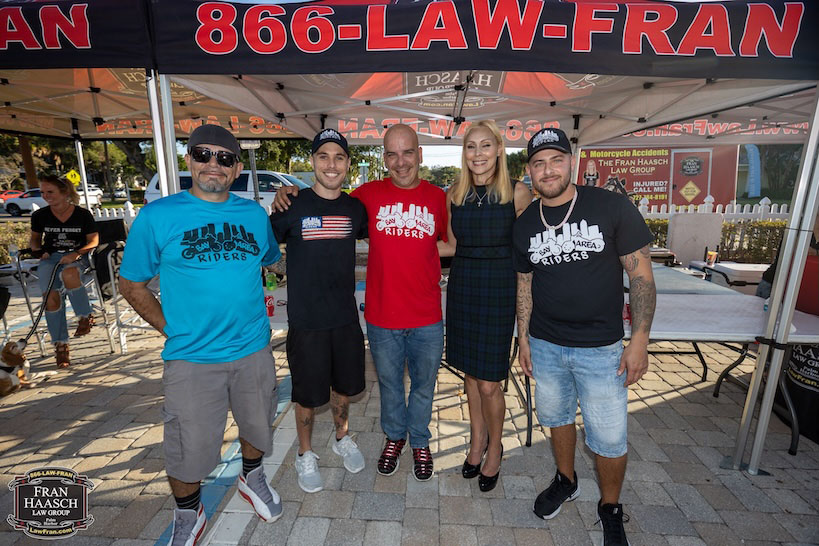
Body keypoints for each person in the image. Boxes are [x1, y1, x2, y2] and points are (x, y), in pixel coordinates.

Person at [119, 124, 283, 546]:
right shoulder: (158, 216)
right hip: (191, 358)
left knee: (257, 425)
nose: (214, 164)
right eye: (203, 154)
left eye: (225, 158)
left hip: (252, 350)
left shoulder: (253, 215)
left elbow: (272, 260)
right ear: (188, 159)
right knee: (186, 448)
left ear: (236, 169)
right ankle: (188, 511)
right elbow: (131, 285)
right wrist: (169, 328)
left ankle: (252, 477)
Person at [272, 124, 448, 481]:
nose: (401, 162)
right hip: (374, 316)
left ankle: (418, 441)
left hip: (418, 315)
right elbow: (276, 238)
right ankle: (392, 438)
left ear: (420, 154)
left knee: (421, 387)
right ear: (383, 158)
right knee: (387, 387)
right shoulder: (365, 196)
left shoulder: (434, 199)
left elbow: (450, 243)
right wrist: (285, 192)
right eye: (392, 154)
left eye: (408, 153)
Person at [514, 128, 656, 546]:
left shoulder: (610, 206)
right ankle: (566, 479)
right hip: (545, 344)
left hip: (602, 350)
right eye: (539, 163)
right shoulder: (525, 224)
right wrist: (524, 339)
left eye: (556, 160)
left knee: (609, 438)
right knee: (557, 418)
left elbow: (641, 277)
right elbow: (525, 284)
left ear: (571, 162)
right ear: (529, 171)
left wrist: (639, 340)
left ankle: (609, 507)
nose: (548, 170)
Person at [268, 129, 368, 493]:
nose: (331, 164)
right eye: (323, 156)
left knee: (344, 388)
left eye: (339, 157)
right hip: (307, 322)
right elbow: (265, 249)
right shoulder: (292, 205)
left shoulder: (355, 209)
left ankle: (342, 438)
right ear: (312, 162)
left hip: (345, 319)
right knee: (307, 396)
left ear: (347, 164)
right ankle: (305, 453)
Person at [437, 121, 531, 492]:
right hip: (463, 288)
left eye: (485, 145)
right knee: (471, 375)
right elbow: (452, 245)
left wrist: (529, 315)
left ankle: (496, 448)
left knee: (491, 382)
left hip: (499, 290)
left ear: (499, 149)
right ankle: (476, 442)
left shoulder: (518, 193)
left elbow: (527, 256)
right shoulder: (454, 193)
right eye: (471, 146)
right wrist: (402, 248)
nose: (478, 154)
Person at [29, 174, 99, 368]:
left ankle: (85, 316)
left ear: (64, 192)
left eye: (50, 192)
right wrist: (38, 251)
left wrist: (76, 253)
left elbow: (94, 240)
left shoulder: (82, 214)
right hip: (50, 258)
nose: (46, 196)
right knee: (51, 300)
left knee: (69, 274)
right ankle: (61, 345)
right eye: (43, 192)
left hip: (78, 256)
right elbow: (35, 239)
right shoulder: (40, 215)